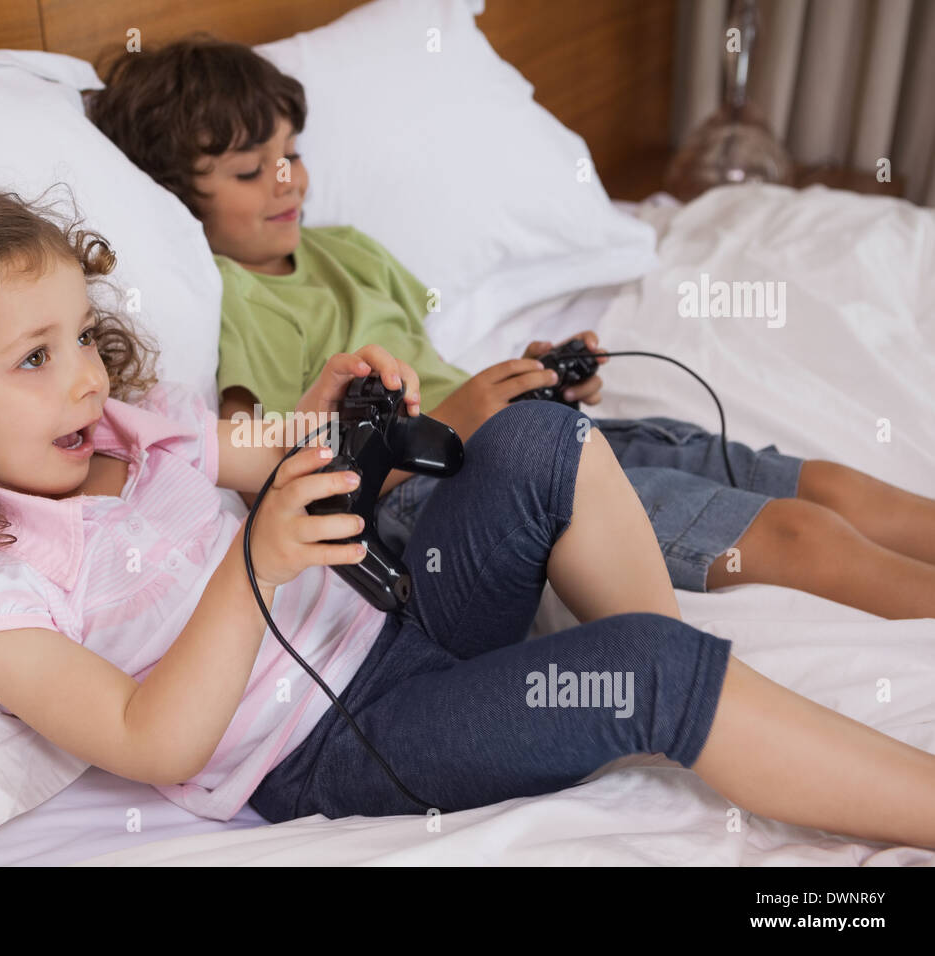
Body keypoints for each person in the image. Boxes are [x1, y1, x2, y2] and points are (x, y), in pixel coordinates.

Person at [0, 175, 935, 847]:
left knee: (535, 435)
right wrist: (256, 564)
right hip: (340, 746)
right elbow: (156, 739)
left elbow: (285, 441)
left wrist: (333, 409)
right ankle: (669, 689)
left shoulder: (140, 431)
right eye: (34, 359)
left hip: (403, 621)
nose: (88, 377)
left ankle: (670, 690)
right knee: (635, 668)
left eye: (84, 336)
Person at [85, 36, 935, 621]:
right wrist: (465, 420)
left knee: (826, 487)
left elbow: (440, 368)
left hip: (540, 428)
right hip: (454, 481)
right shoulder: (234, 302)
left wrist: (530, 374)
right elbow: (283, 469)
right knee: (798, 534)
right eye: (248, 170)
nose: (286, 182)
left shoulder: (347, 250)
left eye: (291, 153)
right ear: (173, 196)